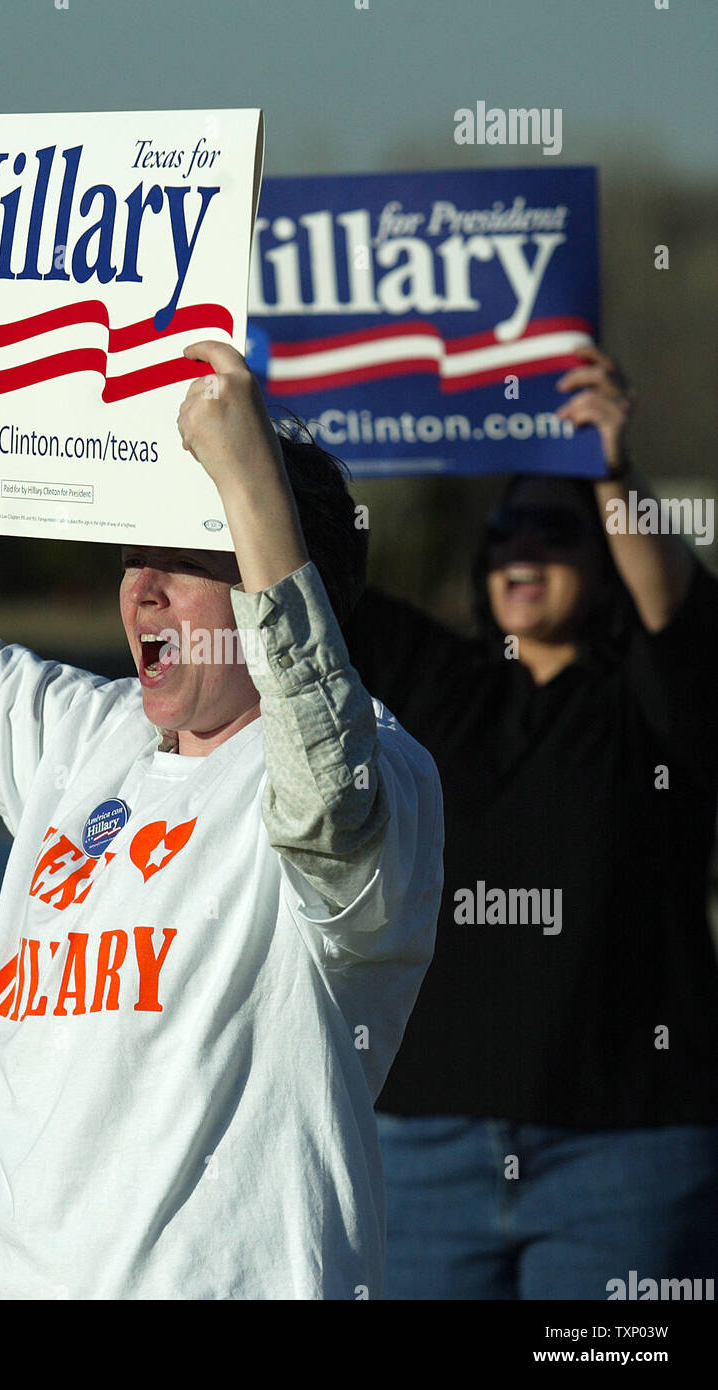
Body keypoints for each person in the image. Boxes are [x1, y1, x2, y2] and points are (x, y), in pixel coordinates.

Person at [0, 220, 443, 1300]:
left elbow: (324, 792)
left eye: (189, 560)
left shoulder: (380, 777)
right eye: (135, 552)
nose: (141, 587)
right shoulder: (83, 735)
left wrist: (251, 485)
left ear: (286, 589)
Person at [345, 346, 718, 1299]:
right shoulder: (436, 681)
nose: (520, 547)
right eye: (504, 526)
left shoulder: (658, 700)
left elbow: (673, 612)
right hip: (417, 1149)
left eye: (555, 529)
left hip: (629, 1159)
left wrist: (612, 470)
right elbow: (296, 586)